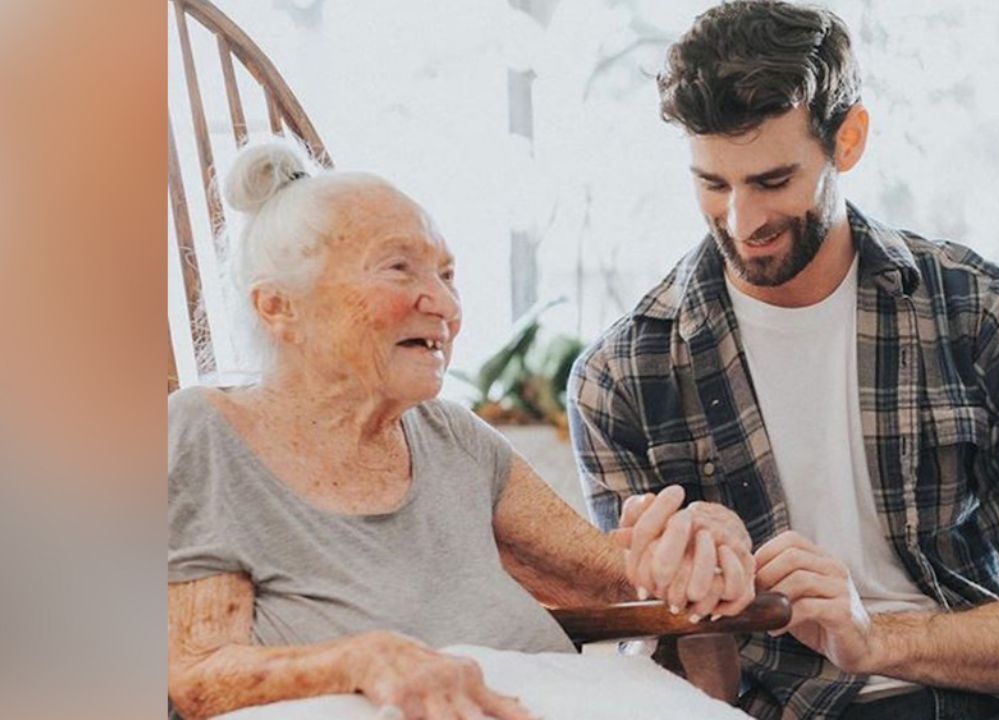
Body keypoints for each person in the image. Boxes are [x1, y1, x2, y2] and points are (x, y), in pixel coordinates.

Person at [166, 142, 756, 720]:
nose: (445, 305)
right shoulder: (206, 432)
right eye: (398, 268)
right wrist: (364, 660)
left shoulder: (453, 437)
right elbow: (196, 675)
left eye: (448, 274)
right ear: (277, 308)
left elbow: (618, 580)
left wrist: (697, 544)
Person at [568, 2, 999, 718]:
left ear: (848, 140)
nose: (742, 222)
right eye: (713, 184)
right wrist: (701, 610)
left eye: (772, 181)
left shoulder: (981, 314)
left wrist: (874, 639)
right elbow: (685, 697)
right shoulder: (622, 379)